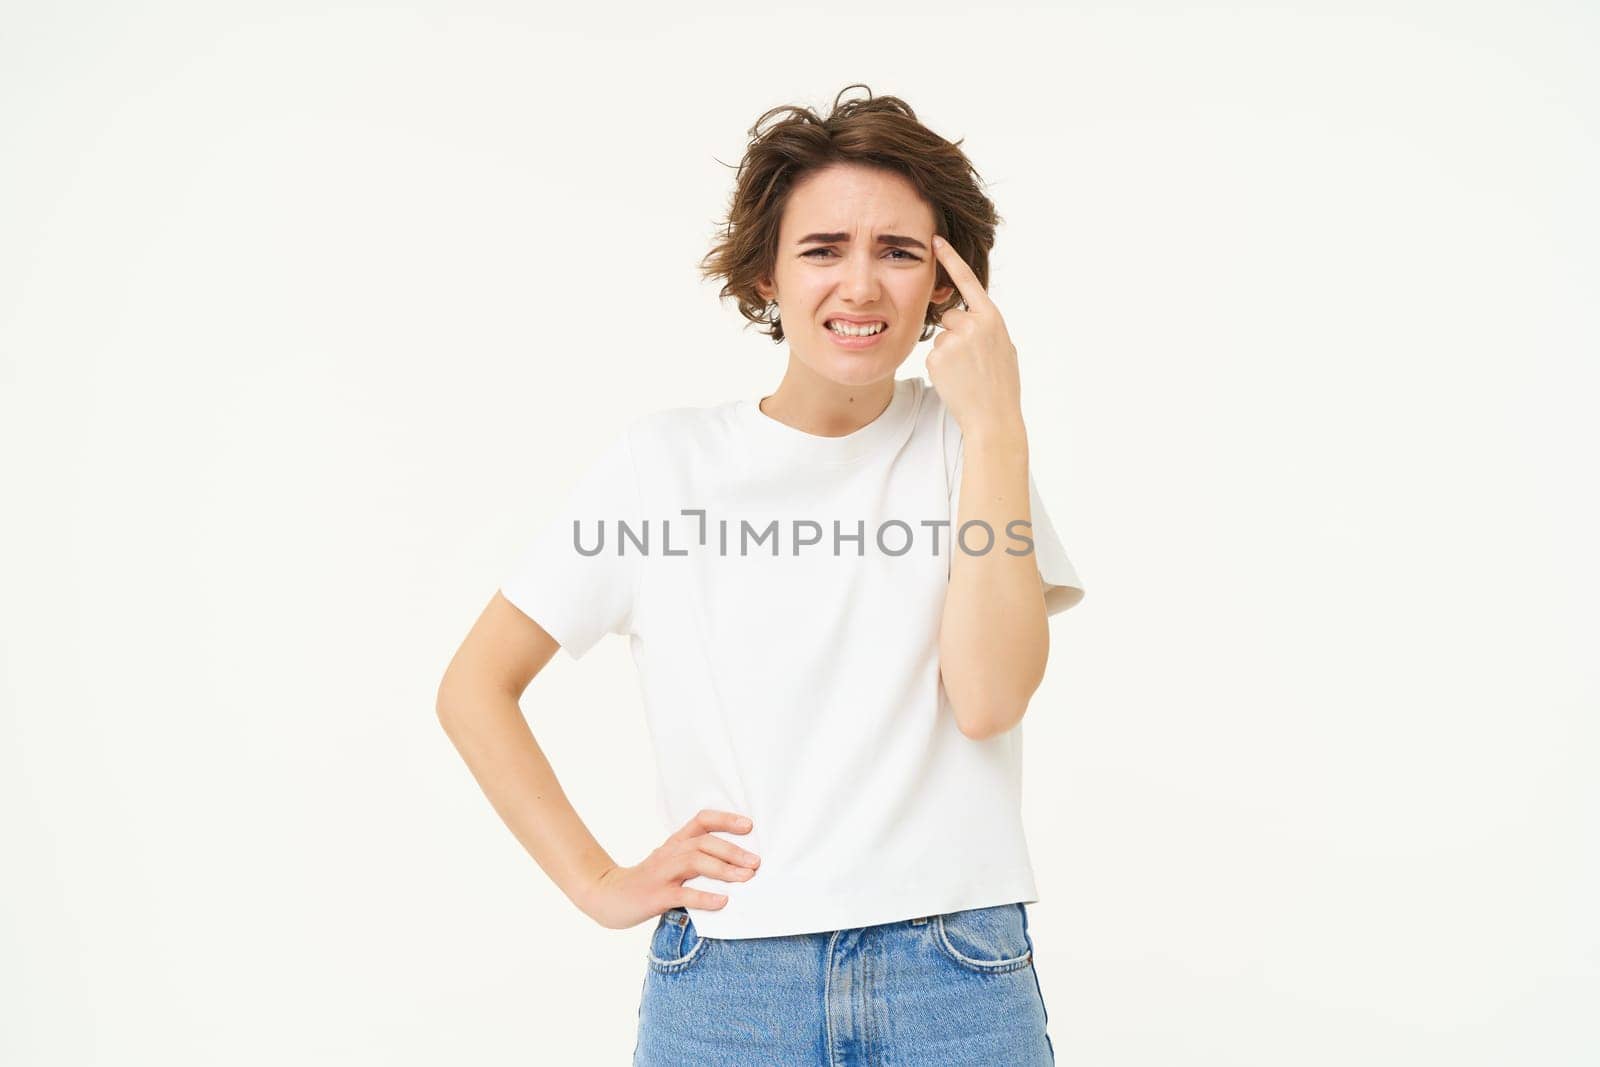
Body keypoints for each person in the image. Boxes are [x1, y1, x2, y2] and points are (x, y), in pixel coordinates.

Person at [436, 84, 1086, 1066]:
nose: (860, 286)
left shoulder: (973, 447)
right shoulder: (664, 465)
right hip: (733, 992)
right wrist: (599, 880)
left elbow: (991, 697)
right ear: (766, 278)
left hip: (955, 975)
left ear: (946, 285)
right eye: (822, 249)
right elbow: (474, 687)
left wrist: (998, 422)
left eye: (899, 251)